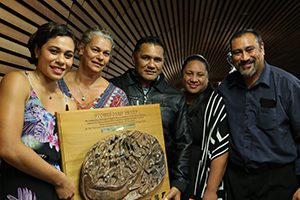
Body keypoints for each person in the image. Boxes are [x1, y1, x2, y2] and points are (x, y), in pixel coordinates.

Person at [218, 29, 300, 200]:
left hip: (278, 181)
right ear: (232, 57)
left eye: (250, 49)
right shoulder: (225, 88)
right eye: (237, 52)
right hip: (237, 182)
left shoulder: (288, 86)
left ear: (262, 49)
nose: (245, 57)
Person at [0, 22, 77, 199]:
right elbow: (8, 147)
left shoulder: (69, 104)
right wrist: (60, 180)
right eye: (54, 51)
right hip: (19, 187)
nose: (61, 61)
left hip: (58, 192)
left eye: (68, 55)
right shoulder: (18, 82)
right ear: (37, 51)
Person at [111, 36, 192, 200]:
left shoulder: (175, 96)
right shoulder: (113, 87)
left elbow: (183, 141)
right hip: (116, 181)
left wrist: (179, 182)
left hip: (159, 180)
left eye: (157, 60)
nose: (151, 65)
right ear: (134, 57)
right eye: (146, 57)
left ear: (163, 63)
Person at [181, 55, 229, 200]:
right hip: (180, 176)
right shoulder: (176, 100)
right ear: (182, 75)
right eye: (189, 73)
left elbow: (221, 149)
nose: (194, 79)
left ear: (208, 77)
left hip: (204, 179)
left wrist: (211, 190)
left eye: (200, 75)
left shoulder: (216, 103)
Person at [58, 26, 128, 109]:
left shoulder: (118, 97)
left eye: (106, 53)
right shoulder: (55, 82)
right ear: (81, 49)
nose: (101, 57)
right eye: (95, 50)